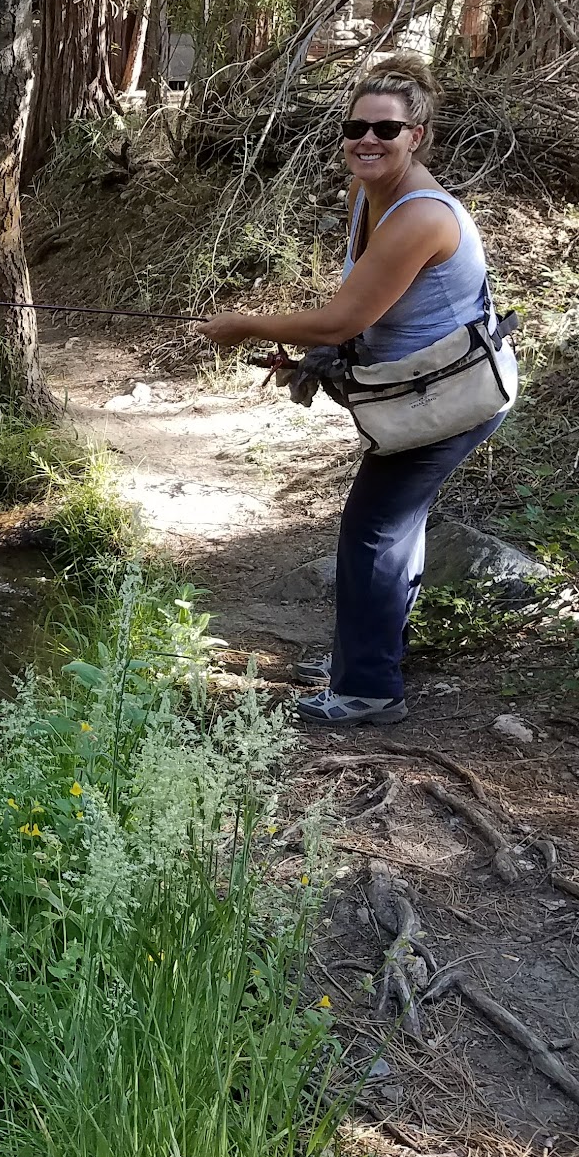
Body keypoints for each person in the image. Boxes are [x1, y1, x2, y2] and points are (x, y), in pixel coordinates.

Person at [196, 54, 502, 727]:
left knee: (372, 534)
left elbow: (342, 317)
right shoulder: (370, 195)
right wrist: (321, 356)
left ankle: (368, 689)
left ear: (416, 136)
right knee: (396, 526)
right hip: (420, 388)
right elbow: (363, 310)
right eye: (355, 127)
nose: (367, 139)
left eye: (385, 130)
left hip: (448, 399)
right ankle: (369, 656)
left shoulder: (420, 216)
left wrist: (246, 325)